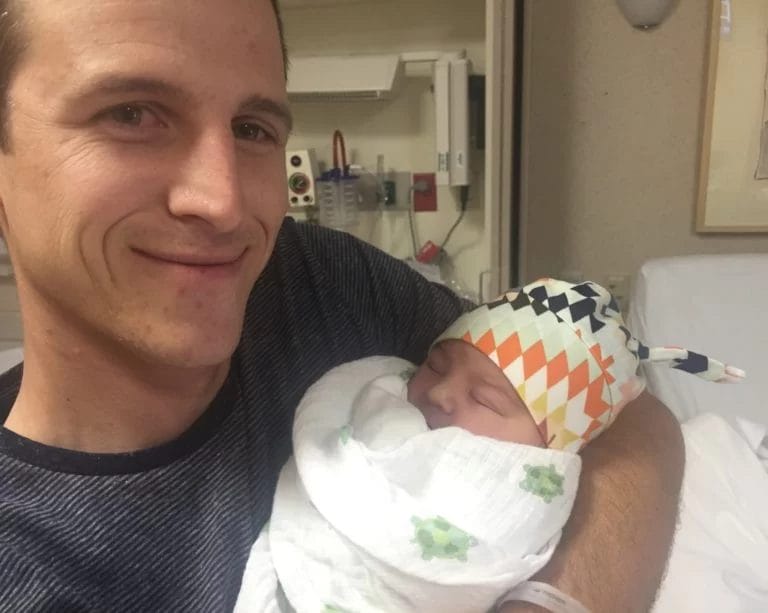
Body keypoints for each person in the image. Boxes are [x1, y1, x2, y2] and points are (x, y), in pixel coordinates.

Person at [0, 1, 684, 611]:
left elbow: (627, 413)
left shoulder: (312, 283)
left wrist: (555, 598)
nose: (224, 201)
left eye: (251, 128)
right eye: (131, 114)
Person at [235, 278, 742, 613]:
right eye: (435, 364)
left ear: (553, 446)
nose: (438, 391)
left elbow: (639, 420)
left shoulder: (532, 480)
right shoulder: (383, 401)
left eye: (485, 398)